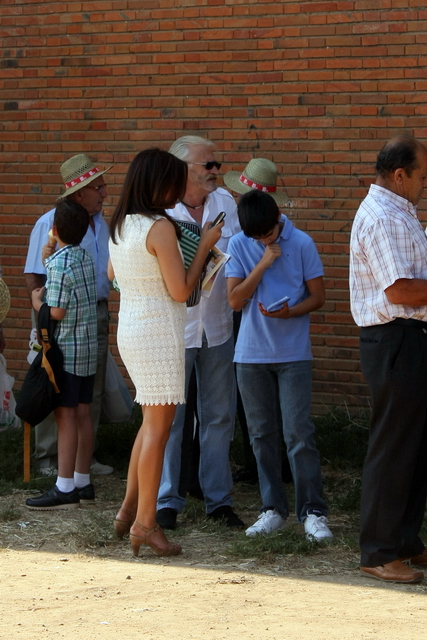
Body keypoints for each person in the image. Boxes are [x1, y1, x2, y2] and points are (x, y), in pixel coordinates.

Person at [108, 147, 222, 557]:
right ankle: (145, 523)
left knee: (149, 426)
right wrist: (206, 246)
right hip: (158, 332)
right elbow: (181, 291)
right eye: (175, 180)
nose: (180, 188)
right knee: (159, 431)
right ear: (161, 183)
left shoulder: (122, 222)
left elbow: (111, 275)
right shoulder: (159, 227)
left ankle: (128, 513)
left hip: (133, 327)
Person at [226, 189, 333, 541]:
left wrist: (290, 311)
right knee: (260, 435)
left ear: (277, 220)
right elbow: (235, 299)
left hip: (293, 354)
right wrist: (263, 262)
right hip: (250, 355)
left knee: (298, 434)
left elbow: (317, 297)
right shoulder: (241, 244)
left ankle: (313, 512)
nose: (262, 239)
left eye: (267, 234)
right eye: (255, 236)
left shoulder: (301, 243)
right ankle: (272, 508)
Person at [350, 135, 427, 584]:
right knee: (395, 447)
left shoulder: (399, 211)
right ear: (400, 175)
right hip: (394, 338)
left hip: (409, 338)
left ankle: (404, 541)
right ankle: (378, 551)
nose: (423, 185)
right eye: (421, 177)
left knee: (414, 448)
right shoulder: (383, 216)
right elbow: (399, 290)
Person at [156, 135, 244, 530]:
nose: (216, 171)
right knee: (172, 420)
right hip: (176, 330)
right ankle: (166, 502)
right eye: (207, 165)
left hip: (218, 327)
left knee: (219, 416)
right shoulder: (160, 210)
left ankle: (218, 500)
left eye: (216, 164)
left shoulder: (226, 204)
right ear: (182, 170)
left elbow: (239, 256)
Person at [24, 154, 113, 477]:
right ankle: (50, 457)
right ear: (79, 193)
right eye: (98, 187)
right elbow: (35, 276)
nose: (105, 192)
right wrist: (42, 323)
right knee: (55, 384)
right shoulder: (50, 222)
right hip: (60, 318)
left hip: (95, 313)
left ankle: (83, 460)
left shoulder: (102, 223)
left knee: (92, 388)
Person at [25, 200, 98, 509]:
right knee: (82, 413)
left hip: (66, 352)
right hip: (88, 351)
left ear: (53, 230)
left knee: (64, 415)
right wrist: (52, 255)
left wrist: (35, 301)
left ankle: (64, 486)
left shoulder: (57, 264)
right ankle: (83, 481)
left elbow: (56, 311)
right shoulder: (84, 257)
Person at [224, 158, 292, 485]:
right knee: (252, 392)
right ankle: (262, 461)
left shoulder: (255, 229)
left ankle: (271, 464)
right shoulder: (255, 225)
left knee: (259, 392)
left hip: (254, 310)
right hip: (247, 307)